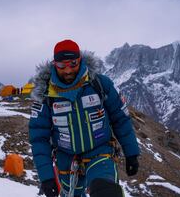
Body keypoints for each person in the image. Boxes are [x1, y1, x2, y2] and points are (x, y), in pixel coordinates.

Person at [29, 39, 140, 197]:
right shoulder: (45, 95)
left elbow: (120, 118)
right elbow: (39, 138)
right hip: (66, 162)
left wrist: (131, 153)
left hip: (100, 152)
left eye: (73, 63)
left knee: (106, 191)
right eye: (62, 65)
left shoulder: (100, 84)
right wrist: (46, 177)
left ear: (80, 60)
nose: (67, 70)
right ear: (54, 64)